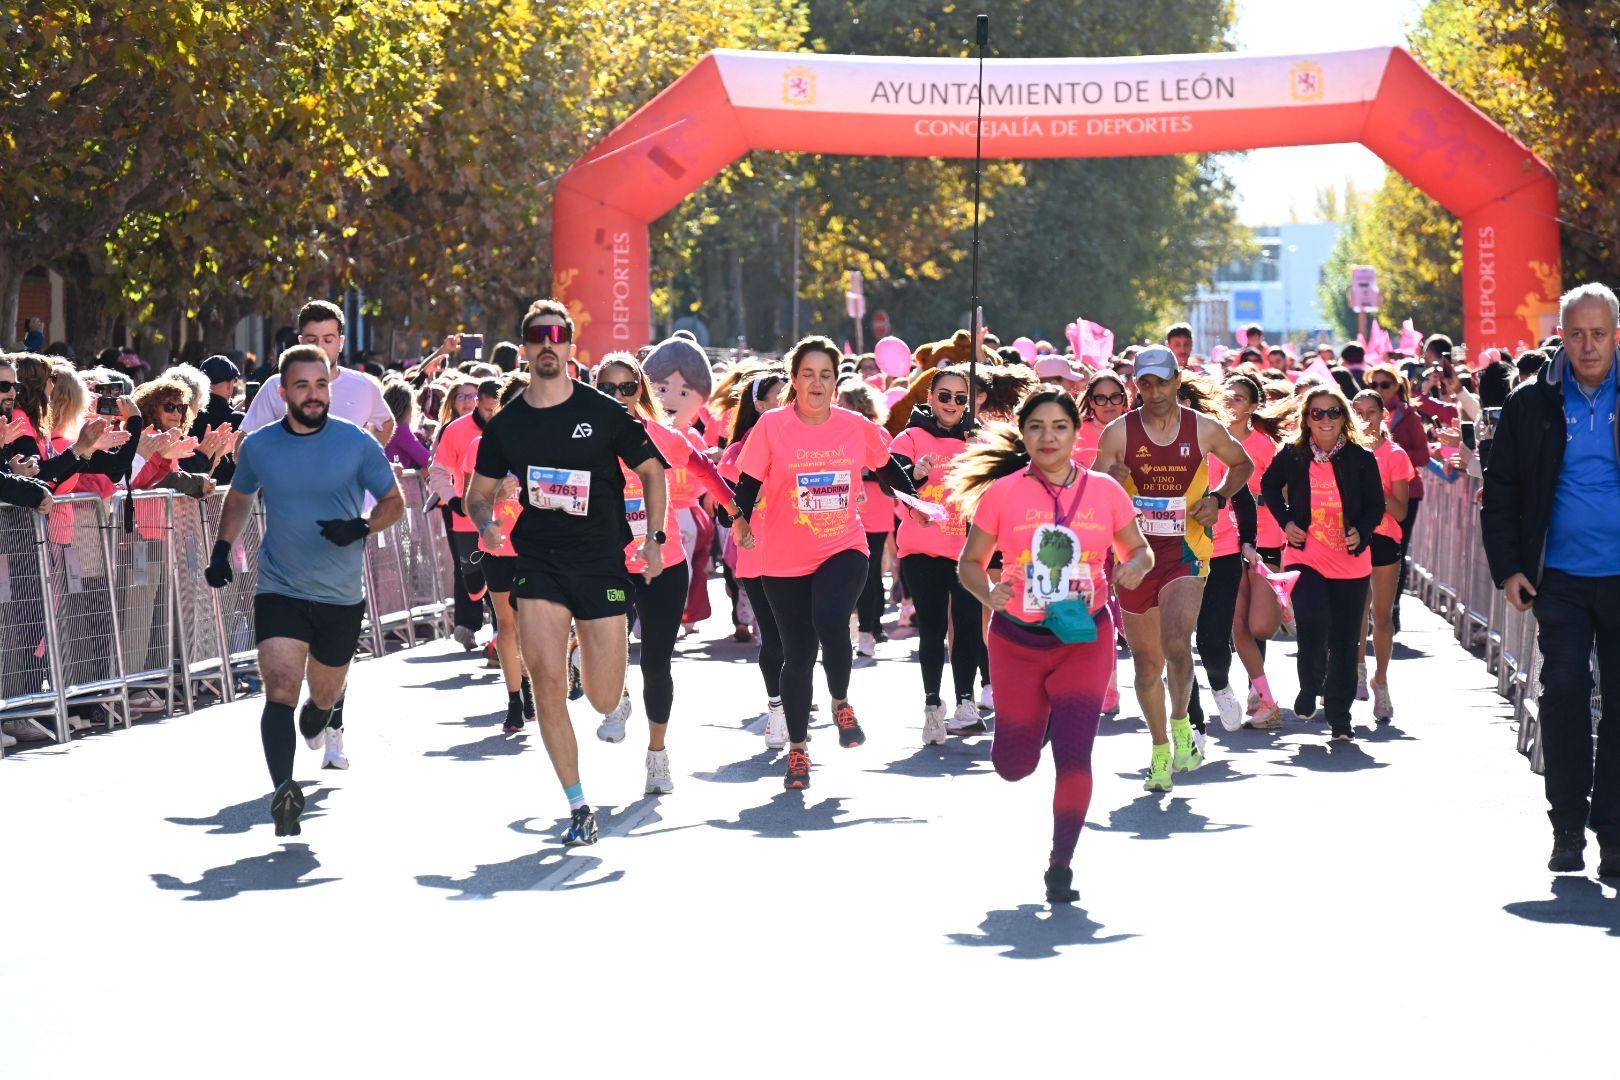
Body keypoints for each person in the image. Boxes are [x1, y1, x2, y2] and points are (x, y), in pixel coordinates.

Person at [464, 298, 668, 847]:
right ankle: (578, 805)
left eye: (557, 336)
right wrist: (485, 524)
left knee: (601, 700)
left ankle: (612, 687)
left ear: (571, 347)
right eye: (537, 336)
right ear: (526, 348)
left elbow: (652, 472)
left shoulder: (605, 412)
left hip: (600, 559)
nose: (547, 344)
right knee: (548, 685)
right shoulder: (508, 425)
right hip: (538, 563)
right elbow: (476, 494)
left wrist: (654, 538)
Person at [956, 390, 1153, 903]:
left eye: (1060, 427)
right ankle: (1036, 722)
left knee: (1076, 756)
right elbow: (969, 564)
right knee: (1013, 766)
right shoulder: (1002, 493)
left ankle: (1061, 862)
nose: (1048, 437)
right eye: (1038, 427)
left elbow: (1141, 550)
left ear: (1075, 433)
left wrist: (1132, 566)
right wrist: (989, 591)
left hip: (1083, 639)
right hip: (1017, 641)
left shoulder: (1106, 491)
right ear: (1024, 434)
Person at [204, 345, 404, 835]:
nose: (314, 395)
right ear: (282, 391)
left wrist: (360, 527)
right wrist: (221, 549)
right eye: (302, 386)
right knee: (280, 687)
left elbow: (395, 501)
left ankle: (321, 714)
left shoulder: (356, 442)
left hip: (339, 593)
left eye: (321, 385)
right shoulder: (261, 446)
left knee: (321, 697)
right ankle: (283, 791)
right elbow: (241, 495)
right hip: (280, 586)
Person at [729, 334, 924, 790]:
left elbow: (887, 464)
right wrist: (740, 521)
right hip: (782, 553)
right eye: (808, 374)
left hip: (844, 544)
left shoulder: (854, 425)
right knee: (797, 654)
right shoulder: (772, 426)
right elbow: (749, 483)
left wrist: (914, 500)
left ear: (837, 382)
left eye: (826, 375)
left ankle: (840, 701)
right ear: (794, 380)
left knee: (831, 621)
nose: (817, 383)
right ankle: (798, 751)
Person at [1482, 283, 1620, 876]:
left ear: (1617, 335)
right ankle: (1567, 825)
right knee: (1562, 692)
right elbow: (1502, 492)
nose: (1588, 347)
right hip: (1556, 577)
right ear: (1560, 335)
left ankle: (1614, 833)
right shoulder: (1529, 403)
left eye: (1600, 334)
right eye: (1577, 334)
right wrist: (1509, 567)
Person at [1093, 346, 1252, 792]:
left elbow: (1243, 464)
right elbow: (1092, 489)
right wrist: (1114, 483)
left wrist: (1218, 498)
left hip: (1186, 551)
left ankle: (1183, 725)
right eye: (1145, 383)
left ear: (1177, 380)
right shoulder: (1118, 433)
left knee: (1177, 642)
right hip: (1136, 554)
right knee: (1147, 664)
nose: (1155, 391)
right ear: (1136, 385)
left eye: (1162, 382)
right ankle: (1161, 748)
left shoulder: (1202, 428)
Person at [592, 353, 742, 794]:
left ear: (640, 389)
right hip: (609, 564)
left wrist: (739, 515)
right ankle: (615, 698)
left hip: (664, 562)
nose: (618, 397)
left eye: (627, 387)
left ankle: (657, 756)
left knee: (656, 665)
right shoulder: (585, 441)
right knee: (604, 642)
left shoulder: (660, 436)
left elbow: (707, 472)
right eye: (607, 389)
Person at [1260, 385, 1383, 741]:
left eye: (1333, 412)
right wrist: (1287, 523)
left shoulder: (1360, 458)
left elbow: (1376, 506)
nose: (1326, 420)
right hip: (1305, 556)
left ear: (1344, 418)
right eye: (1318, 413)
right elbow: (1269, 486)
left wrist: (1361, 531)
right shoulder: (1294, 454)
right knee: (1314, 622)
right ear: (1306, 419)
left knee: (1346, 642)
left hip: (1351, 563)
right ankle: (1310, 683)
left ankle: (1340, 715)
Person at [888, 363, 984, 742]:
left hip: (965, 550)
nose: (951, 404)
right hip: (921, 549)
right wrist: (916, 476)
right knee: (931, 630)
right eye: (944, 396)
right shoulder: (910, 436)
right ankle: (932, 706)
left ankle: (965, 701)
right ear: (929, 398)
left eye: (960, 398)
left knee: (967, 626)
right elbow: (892, 482)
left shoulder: (976, 441)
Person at [1193, 373, 1281, 732]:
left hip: (1266, 537)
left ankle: (1256, 690)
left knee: (1259, 624)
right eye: (1226, 396)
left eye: (1239, 398)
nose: (1231, 403)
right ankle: (1262, 698)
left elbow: (1274, 492)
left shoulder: (1262, 445)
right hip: (1227, 541)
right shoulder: (1214, 439)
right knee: (1239, 624)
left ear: (1253, 406)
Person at [719, 368, 791, 747]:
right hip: (758, 553)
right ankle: (778, 708)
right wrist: (743, 504)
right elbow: (723, 509)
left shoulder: (805, 440)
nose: (788, 401)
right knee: (774, 637)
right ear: (759, 404)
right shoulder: (736, 453)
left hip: (802, 552)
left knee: (799, 636)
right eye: (780, 395)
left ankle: (795, 697)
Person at [459, 373, 533, 735]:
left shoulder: (551, 441)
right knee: (507, 624)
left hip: (540, 545)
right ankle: (515, 698)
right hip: (498, 544)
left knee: (534, 625)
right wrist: (496, 496)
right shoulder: (484, 443)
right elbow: (469, 499)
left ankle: (534, 684)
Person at [242, 300, 393, 443]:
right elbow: (244, 443)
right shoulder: (275, 385)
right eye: (312, 340)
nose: (319, 347)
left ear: (340, 343)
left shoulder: (365, 386)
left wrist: (366, 459)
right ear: (301, 343)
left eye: (328, 340)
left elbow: (386, 422)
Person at [1351, 389, 1412, 720]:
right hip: (1351, 539)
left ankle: (1382, 680)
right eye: (1357, 411)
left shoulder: (1395, 455)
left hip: (1385, 539)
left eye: (1370, 412)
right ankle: (1358, 667)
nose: (1364, 419)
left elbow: (1401, 511)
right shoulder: (1343, 452)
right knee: (1357, 606)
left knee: (1383, 615)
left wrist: (1375, 489)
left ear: (1382, 415)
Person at [430, 377, 500, 650]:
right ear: (478, 402)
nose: (491, 415)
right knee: (472, 576)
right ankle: (470, 622)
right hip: (466, 521)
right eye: (486, 410)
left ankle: (499, 636)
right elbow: (438, 471)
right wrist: (454, 500)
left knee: (500, 578)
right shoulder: (456, 430)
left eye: (496, 410)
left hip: (503, 520)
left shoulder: (511, 427)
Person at [1364, 360, 1431, 632]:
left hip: (1404, 493)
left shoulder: (1408, 415)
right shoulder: (1360, 413)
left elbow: (1423, 455)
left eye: (1385, 385)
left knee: (1395, 551)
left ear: (1397, 387)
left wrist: (1395, 452)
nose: (1379, 389)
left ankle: (1391, 607)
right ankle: (1364, 609)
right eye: (1374, 384)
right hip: (1367, 499)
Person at [838, 381, 895, 660]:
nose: (837, 406)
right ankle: (850, 630)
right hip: (847, 509)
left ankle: (869, 631)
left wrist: (862, 469)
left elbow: (887, 470)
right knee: (848, 573)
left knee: (871, 574)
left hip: (876, 510)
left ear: (857, 405)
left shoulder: (878, 432)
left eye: (842, 402)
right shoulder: (838, 431)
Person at [1075, 371, 1128, 470]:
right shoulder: (1075, 433)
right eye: (1101, 398)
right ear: (1091, 402)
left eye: (1115, 397)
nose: (1109, 405)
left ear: (1124, 399)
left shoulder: (1139, 429)